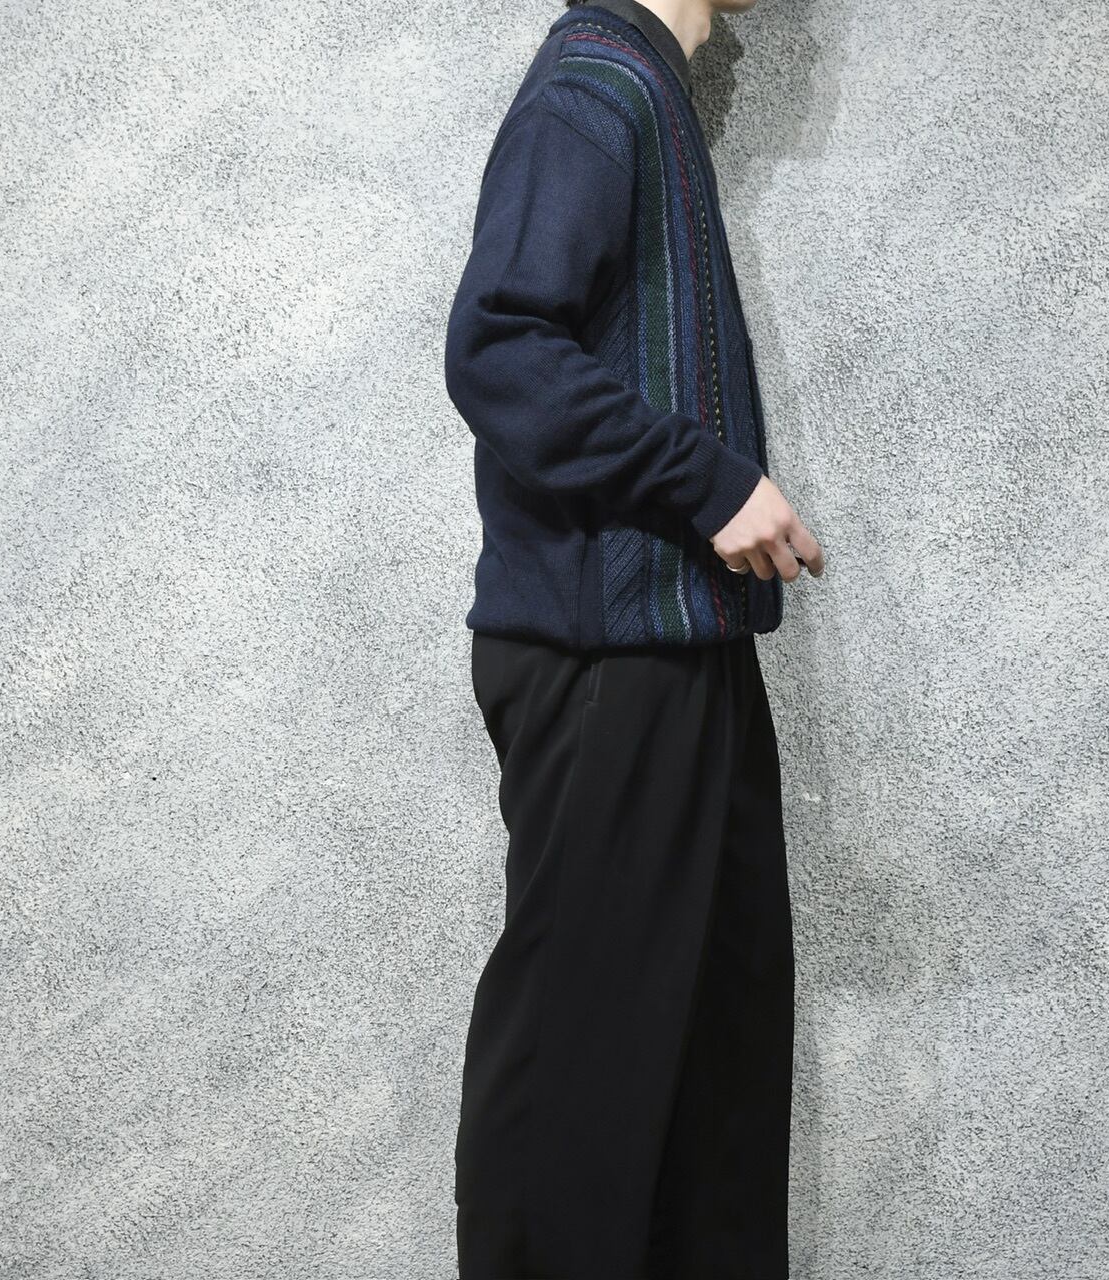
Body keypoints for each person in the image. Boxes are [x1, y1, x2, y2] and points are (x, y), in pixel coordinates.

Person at [443, 1, 824, 1274]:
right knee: (583, 1080)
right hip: (605, 653)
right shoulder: (593, 89)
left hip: (676, 640)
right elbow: (498, 347)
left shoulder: (639, 92)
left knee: (711, 1081)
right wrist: (706, 482)